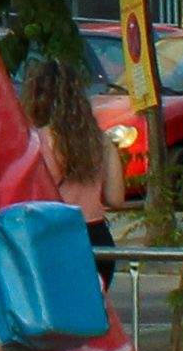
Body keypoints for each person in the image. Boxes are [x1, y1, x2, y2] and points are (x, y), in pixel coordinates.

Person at [23, 54, 120, 253]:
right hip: (97, 237)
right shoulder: (101, 140)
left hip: (55, 236)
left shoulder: (36, 142)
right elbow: (115, 198)